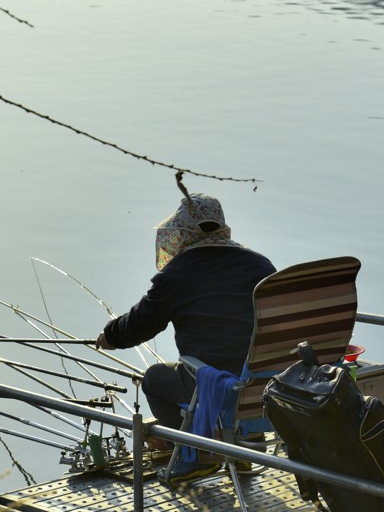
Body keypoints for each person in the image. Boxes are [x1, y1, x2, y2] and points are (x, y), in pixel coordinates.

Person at [95, 192, 275, 482]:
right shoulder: (260, 266)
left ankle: (197, 456)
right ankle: (241, 456)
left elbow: (140, 324)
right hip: (264, 387)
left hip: (214, 386)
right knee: (245, 361)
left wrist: (110, 335)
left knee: (154, 380)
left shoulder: (177, 274)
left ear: (181, 230)